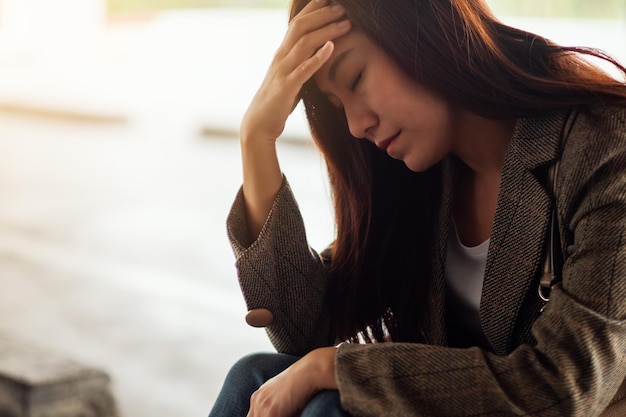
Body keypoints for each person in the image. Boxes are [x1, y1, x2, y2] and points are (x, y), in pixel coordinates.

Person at [209, 0, 626, 415]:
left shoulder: (606, 148)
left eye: (355, 77)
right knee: (254, 379)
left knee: (328, 408)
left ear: (425, 30)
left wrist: (334, 367)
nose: (356, 125)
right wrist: (258, 138)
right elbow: (303, 330)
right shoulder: (423, 179)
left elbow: (560, 389)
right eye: (338, 107)